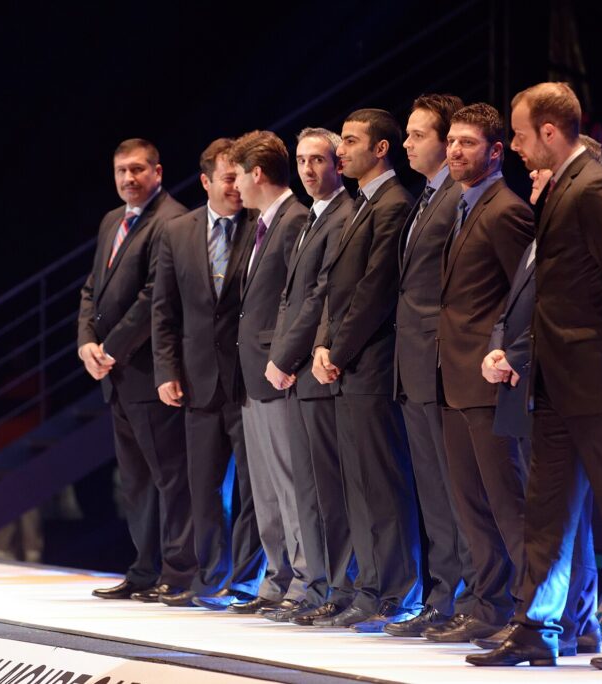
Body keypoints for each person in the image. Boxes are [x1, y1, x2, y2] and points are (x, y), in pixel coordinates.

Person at [467, 81, 602, 670]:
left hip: (601, 379)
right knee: (547, 507)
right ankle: (537, 627)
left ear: (551, 132)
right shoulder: (562, 187)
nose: (514, 146)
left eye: (522, 134)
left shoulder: (595, 187)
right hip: (556, 381)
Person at [471, 137, 602, 656]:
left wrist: (516, 356)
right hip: (528, 389)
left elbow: (564, 318)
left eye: (541, 173)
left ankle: (569, 622)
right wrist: (495, 348)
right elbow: (513, 310)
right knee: (554, 516)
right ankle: (569, 621)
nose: (531, 177)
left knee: (564, 517)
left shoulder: (572, 236)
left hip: (555, 389)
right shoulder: (540, 235)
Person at [310, 108, 420, 631]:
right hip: (349, 363)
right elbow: (338, 287)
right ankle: (368, 585)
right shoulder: (359, 204)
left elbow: (375, 289)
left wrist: (339, 348)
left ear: (381, 148)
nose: (341, 151)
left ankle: (395, 590)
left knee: (382, 481)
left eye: (350, 142)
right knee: (357, 482)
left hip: (372, 361)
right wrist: (325, 344)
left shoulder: (394, 203)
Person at [434, 103, 535, 642]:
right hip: (454, 379)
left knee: (507, 504)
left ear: (496, 151)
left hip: (490, 380)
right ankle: (488, 609)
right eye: (450, 141)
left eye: (467, 143)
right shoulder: (464, 205)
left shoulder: (506, 210)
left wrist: (508, 357)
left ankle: (531, 616)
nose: (454, 151)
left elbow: (525, 298)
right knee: (471, 506)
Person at [77, 138, 194, 601]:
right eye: (122, 170)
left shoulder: (172, 220)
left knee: (169, 476)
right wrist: (86, 342)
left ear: (158, 172)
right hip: (117, 374)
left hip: (150, 371)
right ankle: (144, 570)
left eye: (138, 169)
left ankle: (178, 571)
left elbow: (155, 298)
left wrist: (111, 347)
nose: (129, 178)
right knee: (136, 481)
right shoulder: (112, 220)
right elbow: (92, 289)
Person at [150, 138, 265, 607]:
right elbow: (163, 310)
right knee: (204, 489)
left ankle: (245, 582)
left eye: (241, 175)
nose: (236, 185)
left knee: (255, 491)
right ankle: (208, 579)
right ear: (206, 181)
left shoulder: (261, 224)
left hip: (246, 380)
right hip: (197, 381)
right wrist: (165, 370)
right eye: (227, 176)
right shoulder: (178, 231)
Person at [202, 130, 310, 614]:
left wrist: (283, 357)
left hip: (276, 371)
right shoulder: (263, 223)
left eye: (239, 174)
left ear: (258, 174)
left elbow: (302, 299)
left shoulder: (294, 220)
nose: (235, 186)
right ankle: (276, 577)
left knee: (289, 483)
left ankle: (307, 580)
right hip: (251, 373)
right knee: (263, 487)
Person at [265, 127, 357, 624]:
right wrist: (280, 358)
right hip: (297, 372)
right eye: (301, 160)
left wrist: (286, 357)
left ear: (337, 164)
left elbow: (321, 298)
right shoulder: (312, 218)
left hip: (318, 371)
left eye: (318, 160)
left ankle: (338, 589)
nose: (307, 169)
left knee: (328, 489)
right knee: (307, 490)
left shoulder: (342, 215)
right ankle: (317, 586)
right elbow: (289, 298)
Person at [386, 94, 468, 638]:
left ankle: (466, 599)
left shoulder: (461, 197)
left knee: (458, 493)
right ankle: (442, 597)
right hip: (413, 365)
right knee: (434, 493)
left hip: (442, 365)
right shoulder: (425, 197)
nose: (408, 143)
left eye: (418, 135)